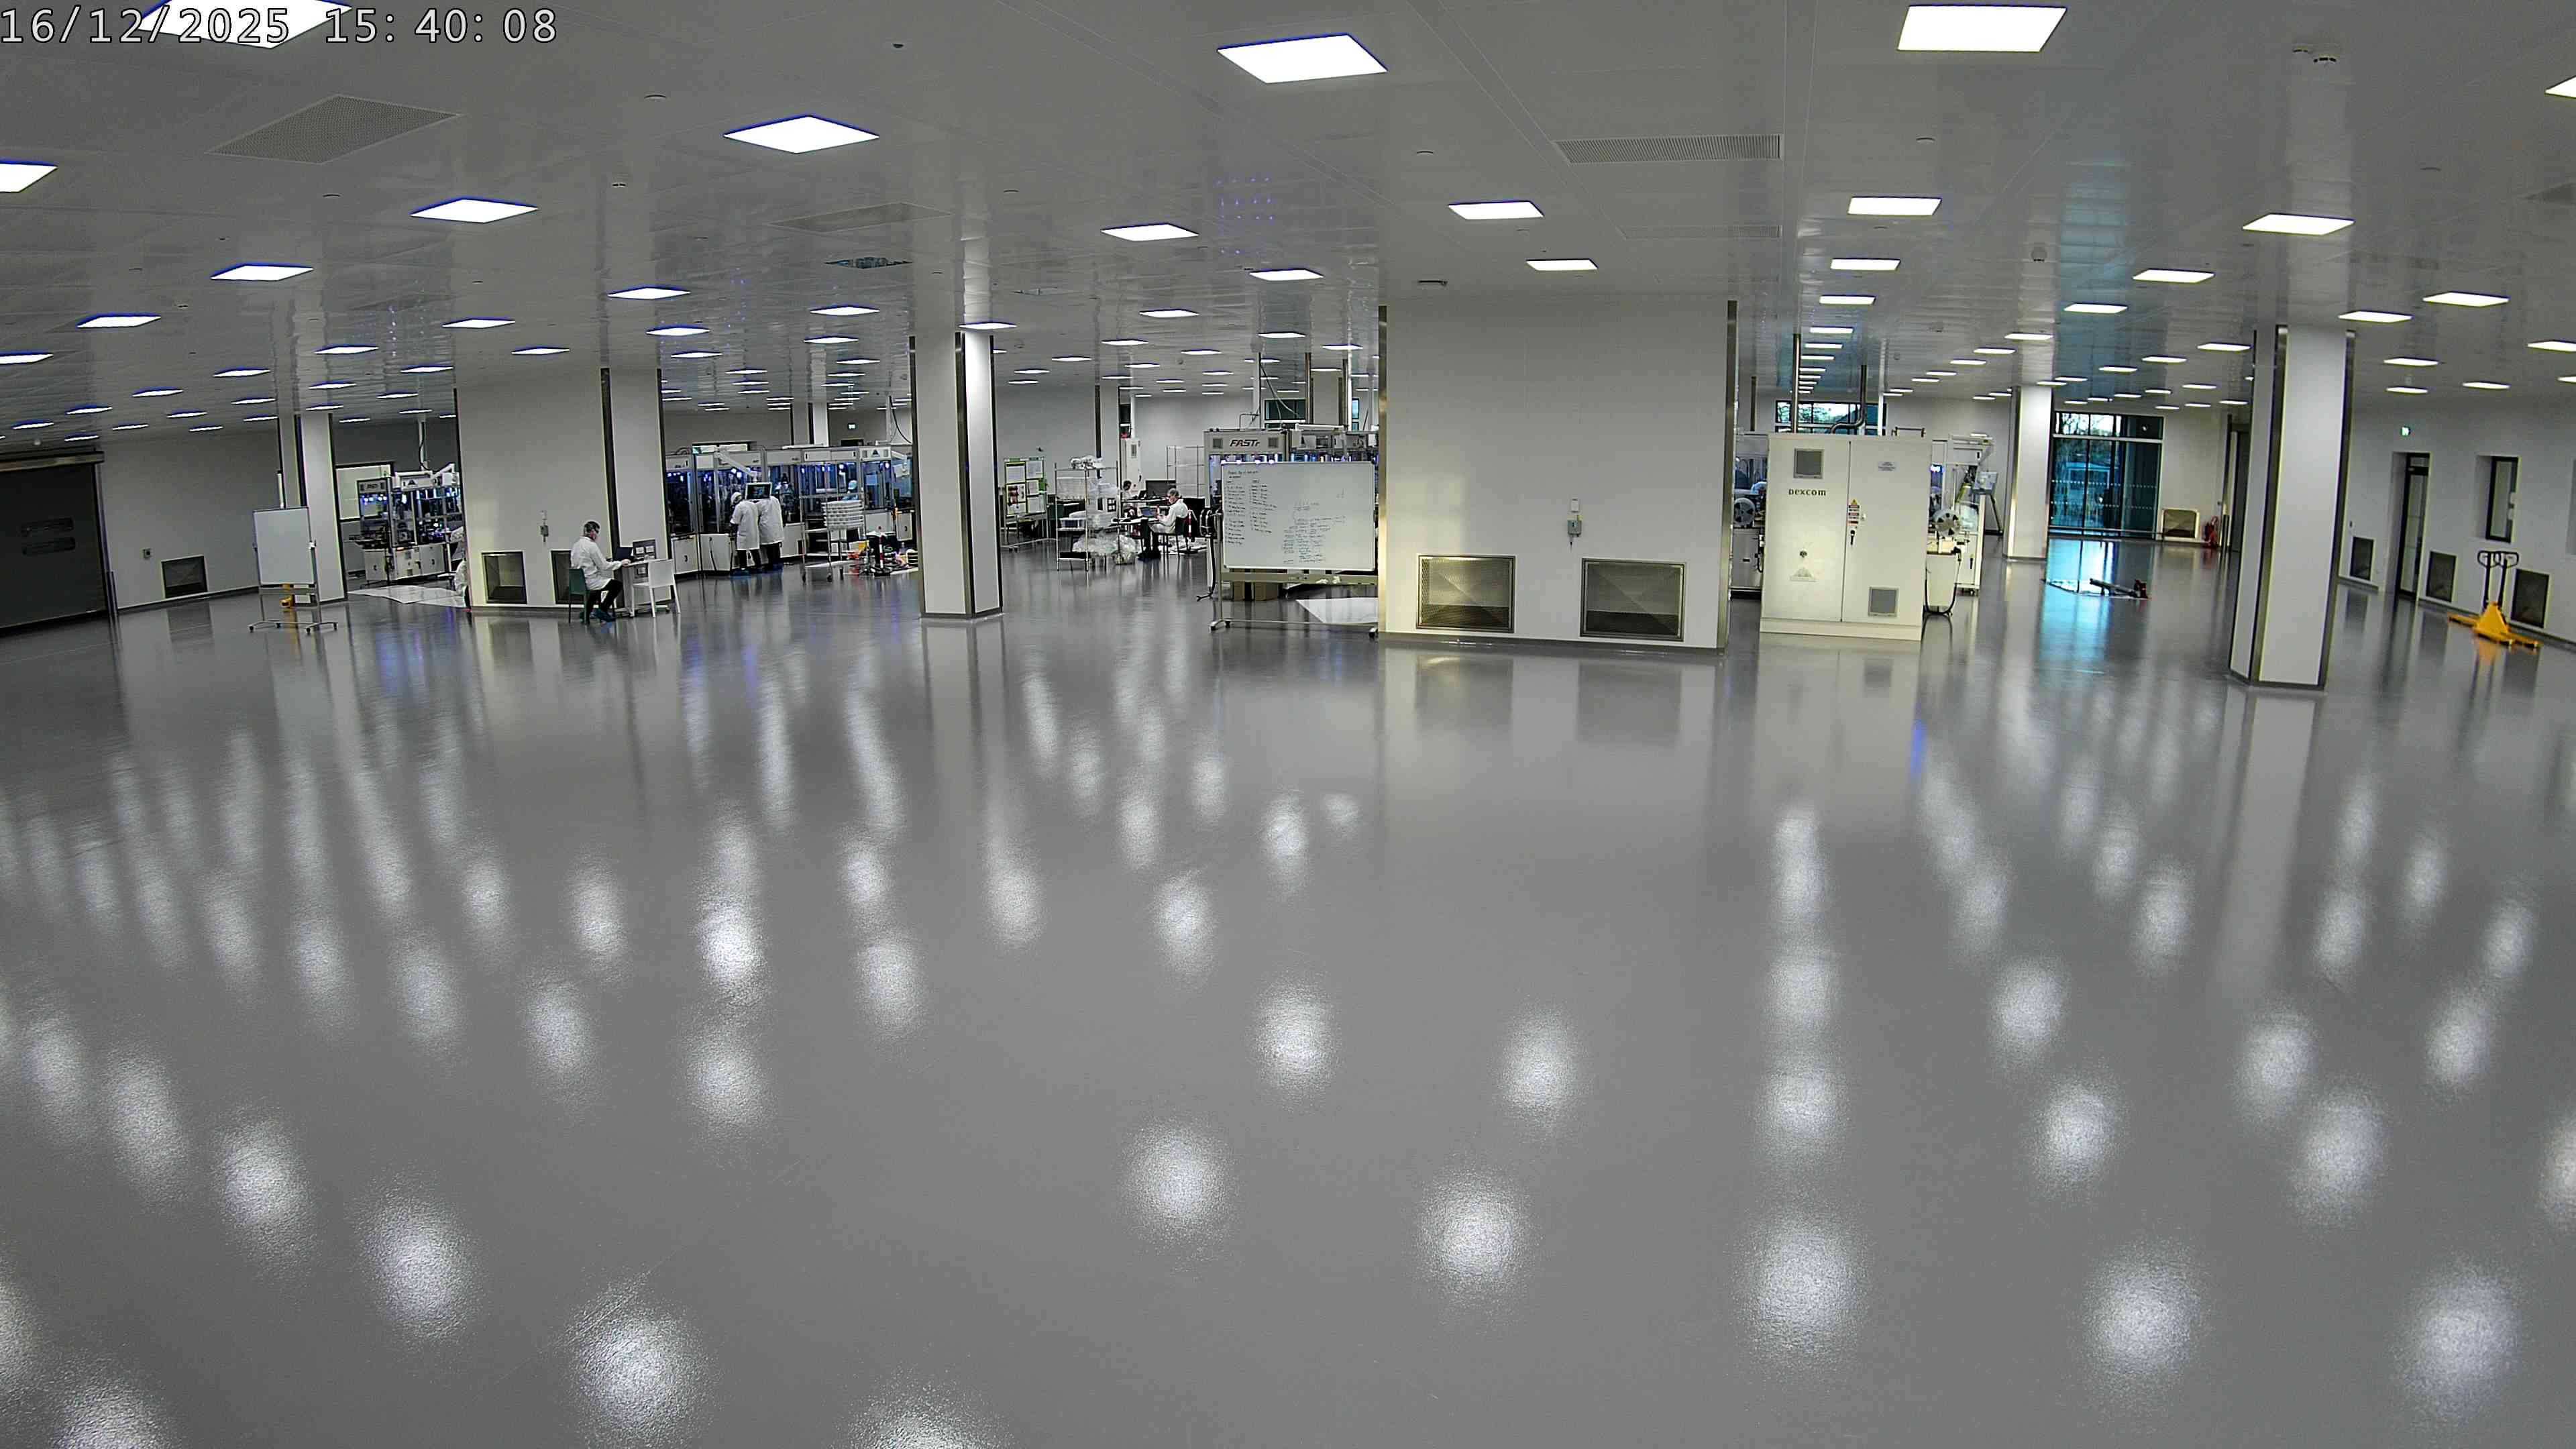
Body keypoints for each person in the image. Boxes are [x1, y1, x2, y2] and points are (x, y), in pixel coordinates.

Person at [570, 521, 621, 621]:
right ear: (593, 532)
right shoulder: (591, 546)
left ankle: (586, 612)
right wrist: (620, 563)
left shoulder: (576, 545)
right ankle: (603, 610)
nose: (597, 535)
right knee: (617, 585)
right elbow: (604, 566)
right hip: (591, 581)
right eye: (597, 532)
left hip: (579, 583)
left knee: (596, 590)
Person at [729, 487, 759, 573]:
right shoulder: (752, 504)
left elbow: (735, 521)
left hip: (744, 533)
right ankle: (759, 567)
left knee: (741, 551)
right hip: (754, 531)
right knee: (754, 550)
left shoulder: (739, 507)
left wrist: (731, 527)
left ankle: (743, 568)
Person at [757, 483, 786, 571]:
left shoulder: (760, 503)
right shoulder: (775, 499)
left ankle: (772, 564)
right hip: (776, 526)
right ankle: (777, 563)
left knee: (770, 548)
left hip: (767, 528)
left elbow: (756, 514)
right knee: (776, 546)